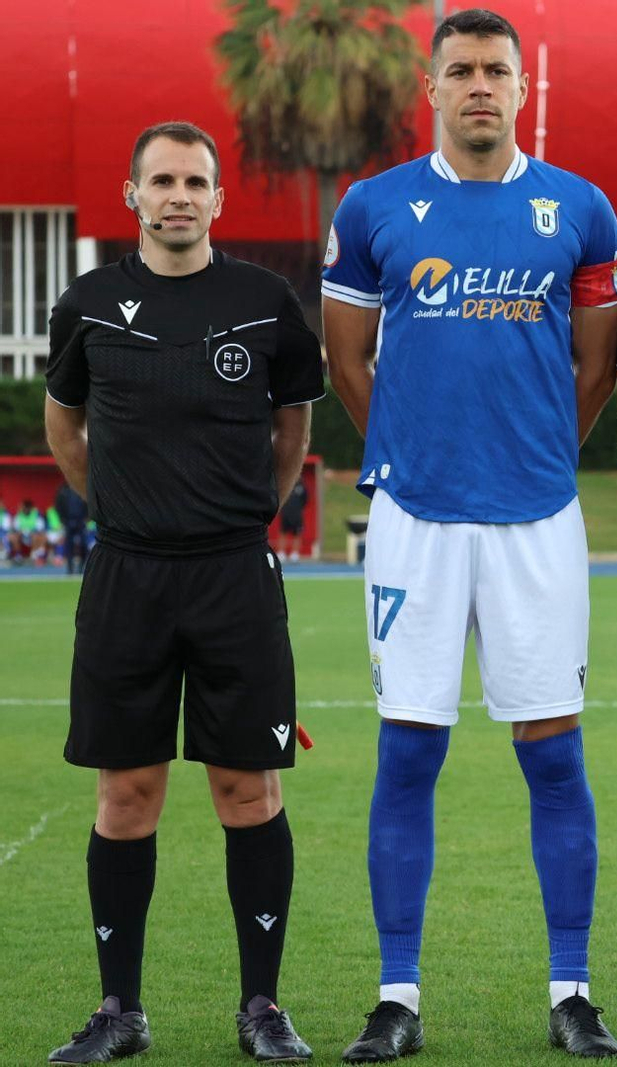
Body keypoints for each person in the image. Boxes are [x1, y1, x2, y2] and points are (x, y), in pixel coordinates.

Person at [321, 8, 617, 1060]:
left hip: (537, 519)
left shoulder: (579, 208)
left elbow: (596, 365)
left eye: (498, 69)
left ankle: (572, 989)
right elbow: (347, 360)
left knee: (555, 755)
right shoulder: (374, 205)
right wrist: (414, 450)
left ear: (523, 86)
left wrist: (532, 450)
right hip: (413, 520)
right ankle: (396, 996)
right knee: (408, 750)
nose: (481, 85)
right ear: (433, 87)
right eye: (462, 70)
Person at [41, 120, 324, 1064]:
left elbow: (291, 432)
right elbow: (66, 427)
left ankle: (263, 1007)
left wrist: (244, 514)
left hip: (235, 575)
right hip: (126, 577)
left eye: (195, 182)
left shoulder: (265, 302)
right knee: (127, 792)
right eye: (161, 181)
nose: (178, 196)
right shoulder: (86, 304)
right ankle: (118, 1009)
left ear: (217, 198)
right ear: (132, 194)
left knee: (248, 788)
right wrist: (121, 511)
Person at [56, 481, 90, 574]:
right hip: (68, 521)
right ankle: (70, 568)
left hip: (81, 522)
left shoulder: (82, 489)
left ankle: (81, 567)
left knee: (83, 545)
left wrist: (87, 517)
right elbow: (58, 505)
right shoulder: (63, 491)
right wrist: (63, 519)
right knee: (69, 546)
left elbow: (88, 502)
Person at [276, 478, 308, 561]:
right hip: (285, 513)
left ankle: (295, 554)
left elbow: (305, 500)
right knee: (283, 533)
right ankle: (281, 552)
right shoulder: (285, 485)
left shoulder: (301, 487)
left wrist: (298, 510)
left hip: (297, 515)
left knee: (297, 534)